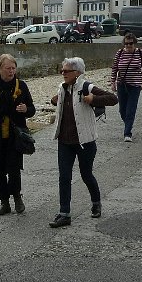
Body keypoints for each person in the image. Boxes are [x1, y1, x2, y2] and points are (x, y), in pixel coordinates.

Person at [49, 57, 118, 228]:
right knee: (64, 177)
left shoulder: (86, 87)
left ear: (77, 72)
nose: (63, 73)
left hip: (85, 141)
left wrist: (93, 99)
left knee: (86, 175)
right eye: (62, 70)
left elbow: (113, 99)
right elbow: (59, 102)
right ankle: (64, 213)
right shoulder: (62, 87)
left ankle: (96, 202)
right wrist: (55, 100)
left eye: (66, 71)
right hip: (64, 141)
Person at [0, 53, 36, 216]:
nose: (11, 71)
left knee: (14, 170)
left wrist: (26, 110)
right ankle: (4, 202)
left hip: (15, 136)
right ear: (0, 69)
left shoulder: (21, 85)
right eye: (8, 68)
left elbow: (32, 109)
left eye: (13, 68)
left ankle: (17, 197)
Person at [110, 33, 142, 142]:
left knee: (131, 109)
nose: (128, 45)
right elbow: (114, 68)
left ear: (135, 43)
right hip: (121, 84)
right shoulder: (119, 53)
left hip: (135, 85)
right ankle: (128, 124)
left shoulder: (139, 53)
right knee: (122, 110)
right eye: (126, 43)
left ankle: (127, 133)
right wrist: (112, 82)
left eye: (130, 43)